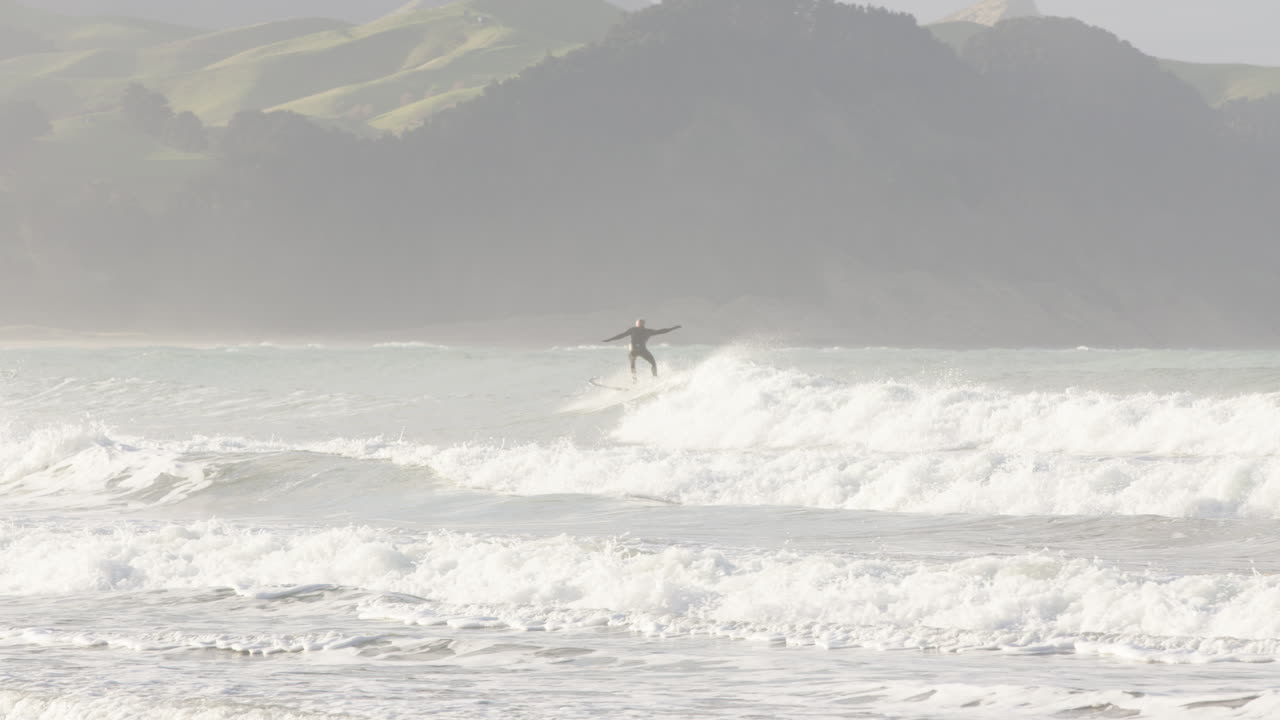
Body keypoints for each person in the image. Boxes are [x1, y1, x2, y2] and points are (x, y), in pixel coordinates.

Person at [603, 319, 682, 379]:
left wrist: (609, 340)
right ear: (643, 324)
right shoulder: (648, 331)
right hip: (642, 350)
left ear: (637, 324)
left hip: (634, 350)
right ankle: (655, 377)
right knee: (653, 363)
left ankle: (634, 379)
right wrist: (673, 328)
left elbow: (621, 335)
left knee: (633, 363)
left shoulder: (633, 329)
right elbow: (662, 331)